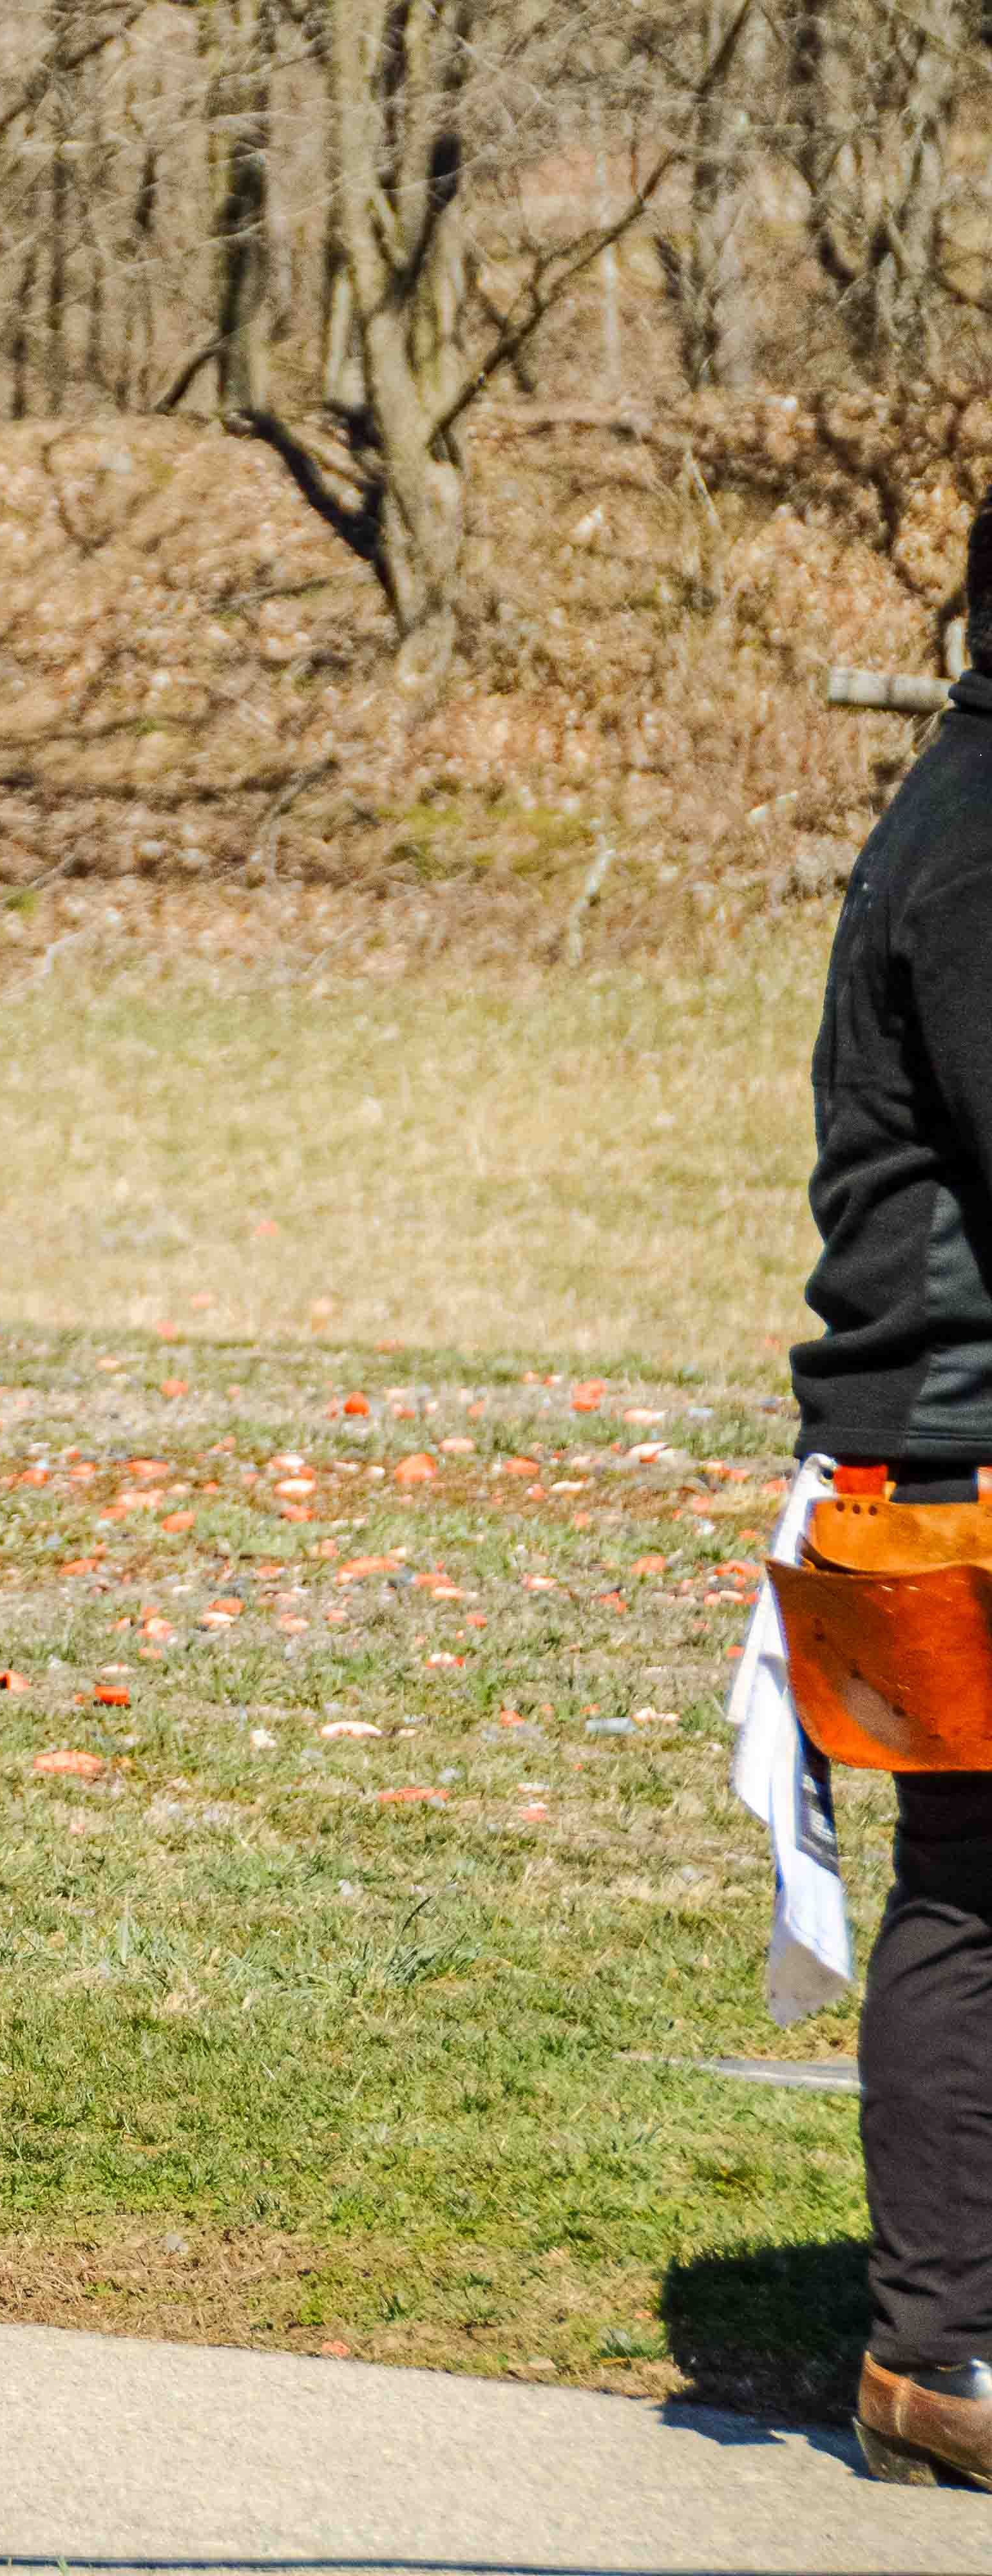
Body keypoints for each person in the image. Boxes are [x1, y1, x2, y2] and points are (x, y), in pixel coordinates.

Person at [795, 495, 992, 2489]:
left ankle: (940, 2346)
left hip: (925, 1439)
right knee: (974, 1888)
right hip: (958, 1456)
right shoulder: (986, 839)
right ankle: (939, 2358)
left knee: (971, 1884)